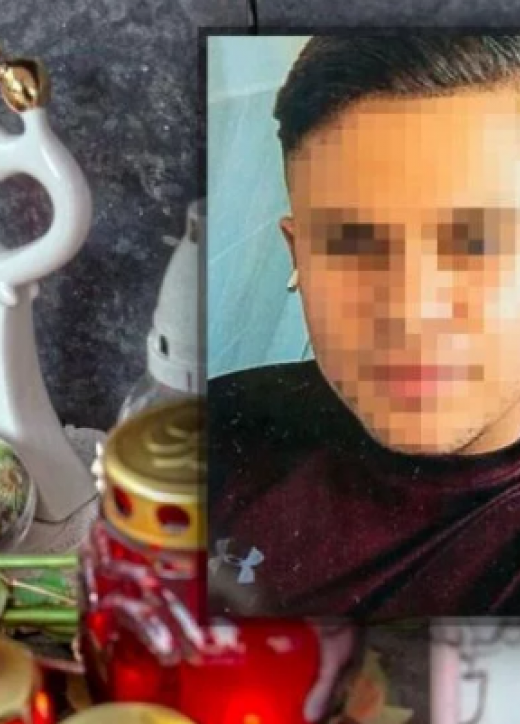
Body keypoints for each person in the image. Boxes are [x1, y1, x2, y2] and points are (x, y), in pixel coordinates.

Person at [209, 35, 520, 619]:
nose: (409, 312)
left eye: (480, 242)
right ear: (298, 256)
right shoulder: (220, 420)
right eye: (352, 243)